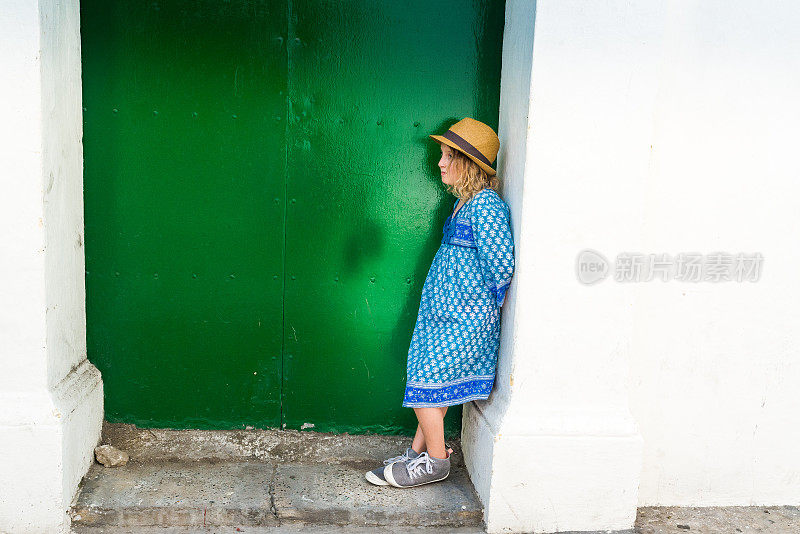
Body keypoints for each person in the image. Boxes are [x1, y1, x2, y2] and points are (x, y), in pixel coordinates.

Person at [365, 117, 515, 488]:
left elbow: (502, 264)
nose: (440, 163)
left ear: (468, 163)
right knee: (431, 384)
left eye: (448, 156)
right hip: (444, 314)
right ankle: (418, 454)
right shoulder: (463, 205)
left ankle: (436, 462)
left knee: (426, 382)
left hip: (464, 317)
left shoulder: (486, 206)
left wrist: (475, 306)